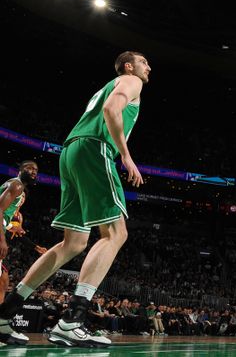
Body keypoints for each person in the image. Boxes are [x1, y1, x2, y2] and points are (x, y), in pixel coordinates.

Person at [0, 51, 151, 347]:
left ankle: (6, 313)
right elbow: (111, 109)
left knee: (74, 243)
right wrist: (125, 154)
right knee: (116, 233)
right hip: (95, 149)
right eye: (144, 62)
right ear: (129, 65)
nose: (149, 67)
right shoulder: (131, 80)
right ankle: (72, 320)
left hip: (71, 152)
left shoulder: (107, 85)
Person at [0, 160, 43, 301]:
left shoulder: (16, 188)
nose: (33, 171)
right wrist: (2, 239)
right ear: (20, 170)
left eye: (36, 170)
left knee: (3, 280)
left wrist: (13, 227)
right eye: (30, 168)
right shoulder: (17, 185)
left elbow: (5, 217)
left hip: (3, 225)